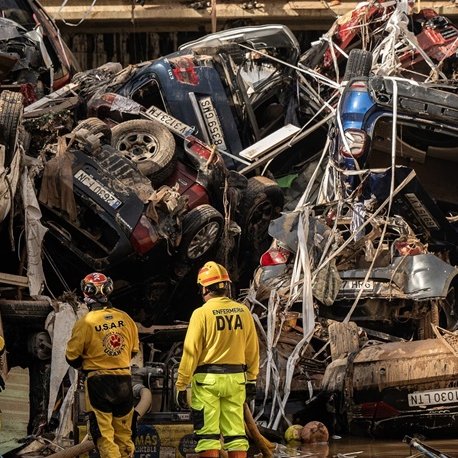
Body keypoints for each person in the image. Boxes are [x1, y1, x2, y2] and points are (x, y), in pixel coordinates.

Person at [175, 261, 260, 458]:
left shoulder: (201, 313)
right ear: (226, 286)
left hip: (207, 382)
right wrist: (252, 378)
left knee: (208, 436)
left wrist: (181, 384)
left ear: (204, 287)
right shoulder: (243, 311)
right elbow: (252, 349)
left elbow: (190, 352)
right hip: (236, 380)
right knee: (236, 435)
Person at [66, 272, 139, 458]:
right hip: (124, 381)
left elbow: (71, 357)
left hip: (99, 383)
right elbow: (134, 351)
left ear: (87, 293)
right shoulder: (126, 319)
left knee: (104, 436)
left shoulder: (86, 323)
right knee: (125, 434)